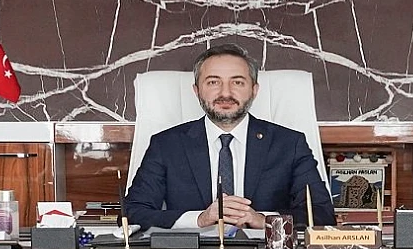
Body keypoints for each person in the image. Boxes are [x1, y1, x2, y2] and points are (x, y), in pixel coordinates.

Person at [125, 43, 336, 230]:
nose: (225, 93)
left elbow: (321, 213)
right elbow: (133, 212)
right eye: (213, 82)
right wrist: (199, 219)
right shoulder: (166, 145)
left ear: (254, 90)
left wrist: (264, 220)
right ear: (196, 91)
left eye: (237, 82)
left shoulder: (290, 144)